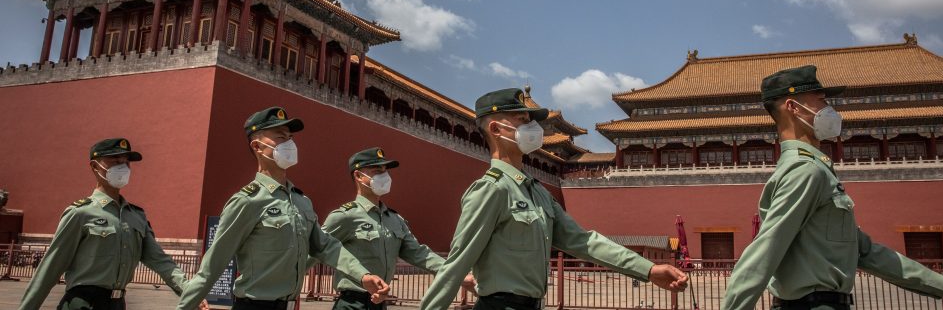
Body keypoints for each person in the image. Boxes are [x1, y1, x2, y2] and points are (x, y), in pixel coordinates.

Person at [722, 65, 943, 310]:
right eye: (821, 101)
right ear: (793, 107)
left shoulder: (817, 169)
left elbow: (865, 251)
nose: (829, 109)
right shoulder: (805, 171)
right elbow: (763, 253)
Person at [421, 88, 688, 310]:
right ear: (496, 129)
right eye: (521, 120)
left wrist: (648, 270)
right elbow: (456, 265)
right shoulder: (491, 190)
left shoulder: (538, 193)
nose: (532, 127)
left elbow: (584, 241)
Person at [176, 107, 390, 310]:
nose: (289, 143)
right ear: (257, 146)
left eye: (290, 137)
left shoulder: (301, 201)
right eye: (280, 137)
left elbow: (326, 246)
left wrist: (362, 275)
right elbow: (213, 264)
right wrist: (186, 305)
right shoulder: (247, 201)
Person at [19, 138, 207, 310]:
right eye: (115, 161)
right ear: (95, 166)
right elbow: (50, 268)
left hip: (117, 304)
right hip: (82, 303)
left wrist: (190, 292)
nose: (122, 167)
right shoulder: (80, 213)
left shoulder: (136, 216)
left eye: (126, 162)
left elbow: (161, 261)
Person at [317, 147, 448, 310]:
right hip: (352, 303)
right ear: (358, 176)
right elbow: (316, 248)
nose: (384, 176)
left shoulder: (395, 219)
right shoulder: (345, 216)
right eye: (377, 171)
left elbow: (418, 253)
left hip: (380, 302)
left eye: (385, 171)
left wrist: (452, 270)